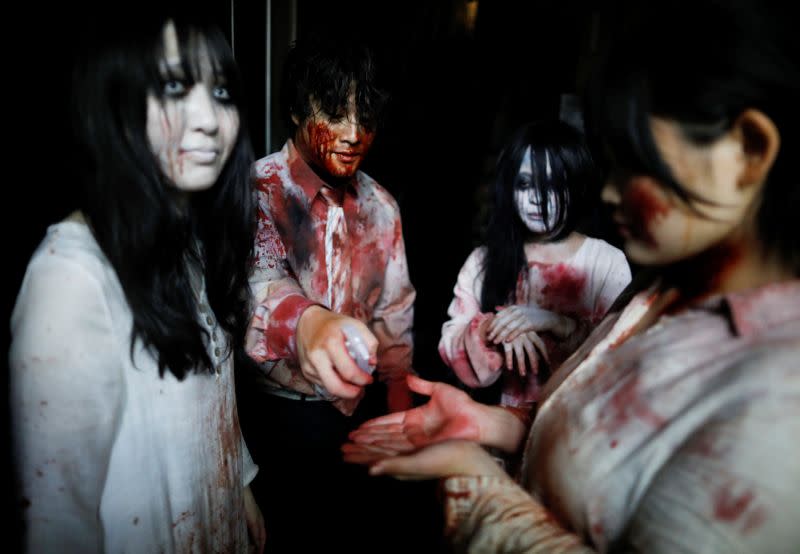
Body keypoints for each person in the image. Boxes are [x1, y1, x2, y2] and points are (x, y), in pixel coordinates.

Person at [344, 1, 800, 551]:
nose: (608, 193)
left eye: (637, 161)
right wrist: (492, 427)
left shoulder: (781, 393)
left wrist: (474, 482)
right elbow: (595, 441)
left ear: (748, 151)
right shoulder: (657, 295)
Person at [9, 7, 266, 553]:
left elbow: (210, 393)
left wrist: (236, 485)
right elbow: (58, 525)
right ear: (116, 102)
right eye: (175, 85)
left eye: (221, 92)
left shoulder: (192, 243)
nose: (209, 120)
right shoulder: (71, 279)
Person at [238, 33, 424, 552]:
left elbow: (395, 314)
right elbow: (255, 290)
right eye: (334, 112)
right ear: (297, 109)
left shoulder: (381, 206)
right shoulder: (254, 194)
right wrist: (308, 324)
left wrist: (398, 416)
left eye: (365, 116)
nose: (352, 133)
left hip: (356, 417)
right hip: (271, 419)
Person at [438, 120, 631, 417]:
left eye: (553, 185)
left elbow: (622, 361)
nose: (537, 198)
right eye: (525, 183)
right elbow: (451, 353)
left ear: (577, 187)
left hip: (570, 435)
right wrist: (494, 329)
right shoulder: (482, 261)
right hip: (494, 432)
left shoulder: (606, 262)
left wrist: (557, 324)